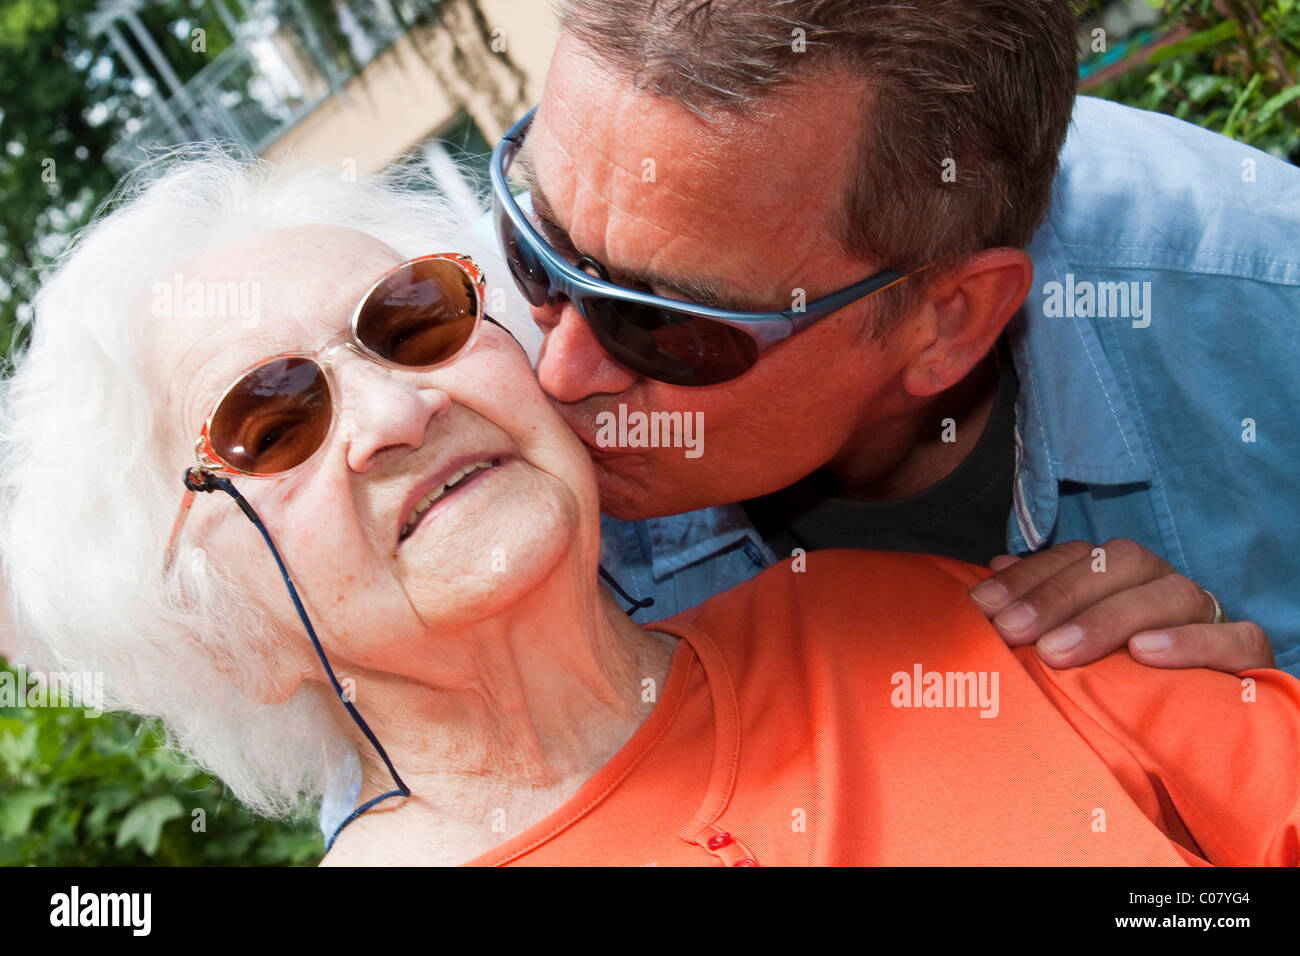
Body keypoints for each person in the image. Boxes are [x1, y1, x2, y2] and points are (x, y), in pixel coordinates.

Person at [2, 151, 1298, 866]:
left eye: (412, 322)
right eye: (275, 422)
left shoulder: (934, 616)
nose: (400, 414)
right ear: (221, 635)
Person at [492, 0, 1298, 676]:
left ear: (949, 320)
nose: (559, 373)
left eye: (667, 323)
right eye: (539, 249)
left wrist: (1250, 750)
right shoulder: (450, 399)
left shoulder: (1264, 313)